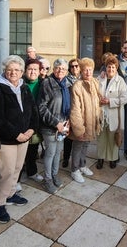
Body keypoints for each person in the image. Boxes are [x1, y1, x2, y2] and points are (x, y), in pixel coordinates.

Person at [0, 55, 39, 224]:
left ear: (22, 72)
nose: (13, 73)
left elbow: (33, 110)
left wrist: (32, 129)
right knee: (6, 171)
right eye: (10, 70)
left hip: (25, 138)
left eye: (17, 70)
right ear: (5, 71)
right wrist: (16, 134)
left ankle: (10, 195)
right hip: (8, 140)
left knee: (17, 169)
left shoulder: (24, 88)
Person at [38, 59, 72, 193]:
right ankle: (47, 180)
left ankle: (54, 174)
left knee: (58, 152)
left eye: (63, 69)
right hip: (50, 126)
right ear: (53, 69)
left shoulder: (66, 83)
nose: (60, 71)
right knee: (50, 153)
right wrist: (56, 123)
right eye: (58, 68)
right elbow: (41, 107)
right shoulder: (47, 83)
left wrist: (67, 121)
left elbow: (68, 105)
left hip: (63, 125)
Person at [70, 57, 102, 183]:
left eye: (90, 69)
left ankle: (82, 165)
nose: (88, 72)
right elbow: (75, 109)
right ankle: (74, 170)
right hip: (82, 122)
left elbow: (97, 101)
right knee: (78, 146)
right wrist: (79, 128)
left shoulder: (95, 82)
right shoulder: (77, 86)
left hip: (92, 121)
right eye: (85, 70)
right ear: (81, 71)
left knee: (86, 144)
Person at [97, 55, 127, 169]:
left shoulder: (120, 81)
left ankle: (112, 159)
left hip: (114, 114)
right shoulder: (100, 78)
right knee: (101, 137)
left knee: (112, 137)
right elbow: (94, 94)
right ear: (105, 67)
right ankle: (100, 158)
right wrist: (99, 100)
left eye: (113, 67)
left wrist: (110, 101)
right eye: (109, 67)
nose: (110, 69)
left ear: (116, 68)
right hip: (101, 113)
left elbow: (125, 99)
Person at [23, 59, 45, 184]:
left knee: (33, 149)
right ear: (25, 71)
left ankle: (32, 171)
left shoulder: (43, 83)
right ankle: (17, 179)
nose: (32, 72)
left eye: (35, 69)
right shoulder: (20, 84)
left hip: (36, 123)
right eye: (30, 69)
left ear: (39, 71)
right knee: (20, 153)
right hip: (23, 123)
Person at [62, 58, 81, 168]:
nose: (74, 68)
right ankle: (65, 158)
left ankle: (77, 160)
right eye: (72, 66)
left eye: (77, 66)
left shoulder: (83, 79)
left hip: (79, 112)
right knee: (68, 137)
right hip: (68, 111)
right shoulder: (65, 80)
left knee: (78, 137)